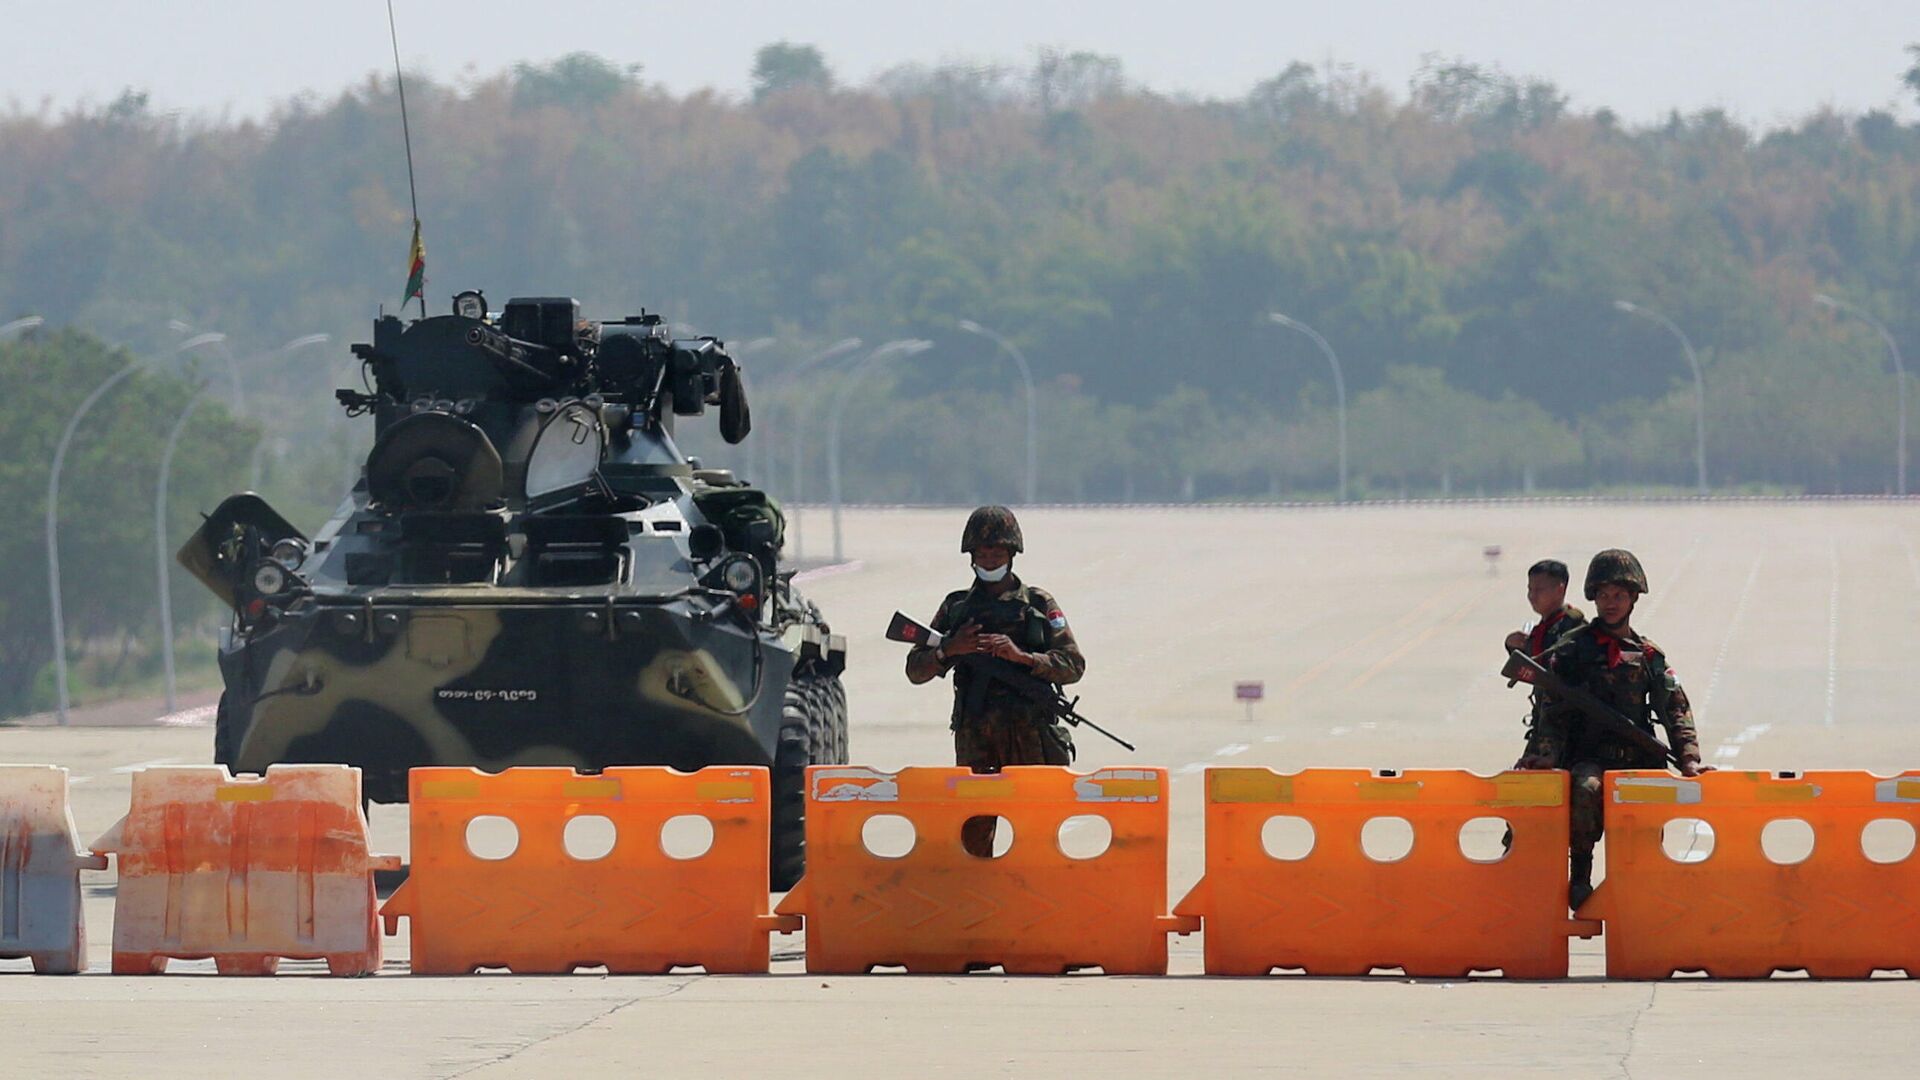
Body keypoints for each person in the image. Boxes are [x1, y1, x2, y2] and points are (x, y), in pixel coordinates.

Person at [1523, 549, 1707, 909]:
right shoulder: (1573, 648)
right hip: (1589, 755)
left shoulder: (1648, 654)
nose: (1611, 603)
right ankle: (1581, 871)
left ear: (1633, 598)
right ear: (1593, 597)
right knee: (1586, 789)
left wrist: (1689, 760)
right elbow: (1553, 709)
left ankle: (1648, 881)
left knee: (1649, 811)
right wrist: (1545, 755)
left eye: (1619, 596)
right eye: (1604, 595)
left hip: (1637, 755)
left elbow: (1675, 708)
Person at [905, 506, 1086, 857]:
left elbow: (1073, 665)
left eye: (997, 554)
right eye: (982, 554)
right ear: (971, 557)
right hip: (977, 739)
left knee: (1037, 837)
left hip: (1030, 736)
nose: (989, 561)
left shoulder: (1038, 604)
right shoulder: (956, 608)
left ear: (1012, 556)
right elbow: (915, 669)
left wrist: (1023, 657)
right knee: (973, 836)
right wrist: (949, 650)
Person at [1505, 559, 1587, 768]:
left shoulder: (1572, 631)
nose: (1532, 596)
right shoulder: (1543, 629)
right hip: (1544, 726)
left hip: (1569, 733)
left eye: (1539, 589)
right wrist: (1513, 647)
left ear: (1560, 589)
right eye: (1530, 589)